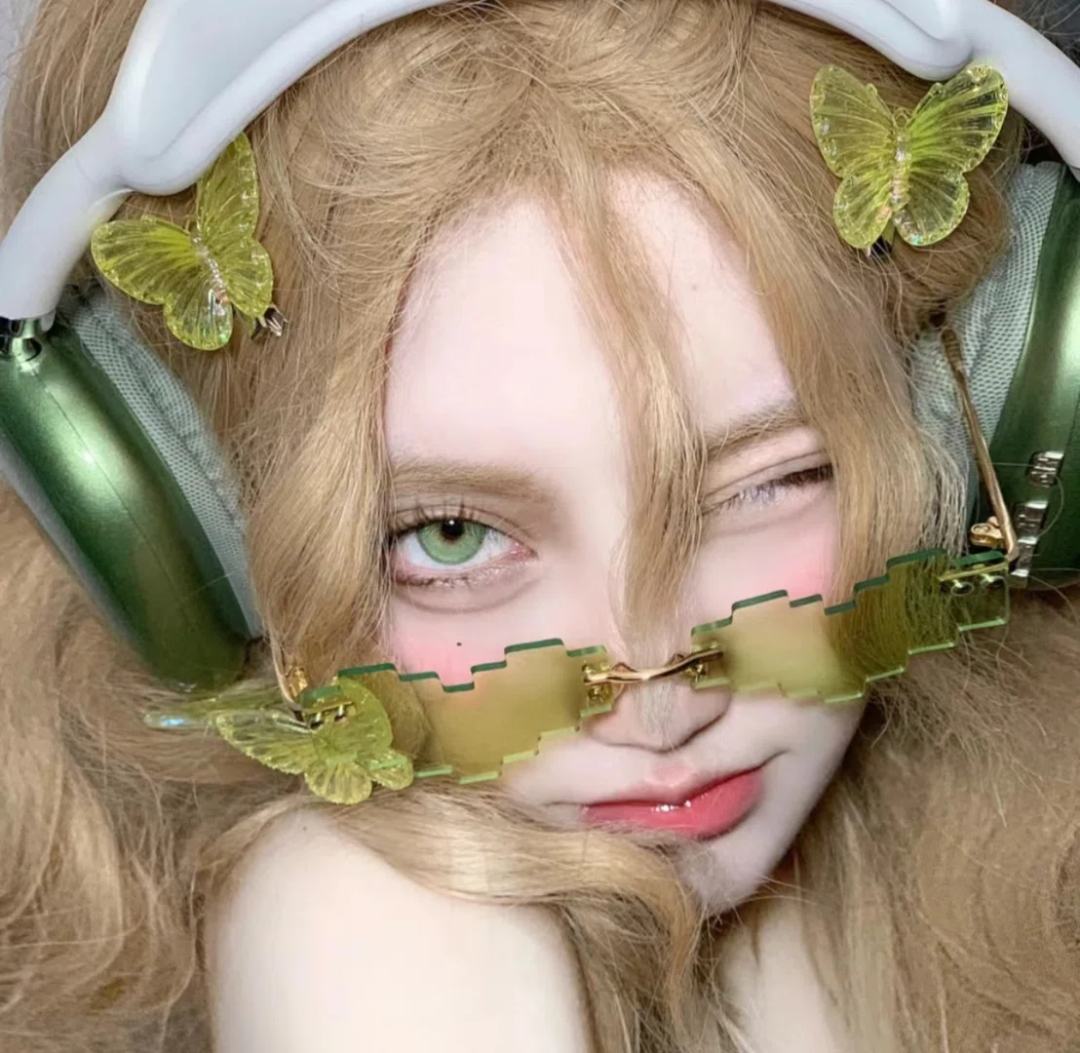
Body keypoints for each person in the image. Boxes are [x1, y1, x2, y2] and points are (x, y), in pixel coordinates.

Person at [1, 0, 1078, 1050]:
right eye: (451, 536)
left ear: (979, 417)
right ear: (183, 530)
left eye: (775, 481)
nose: (660, 700)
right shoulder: (363, 946)